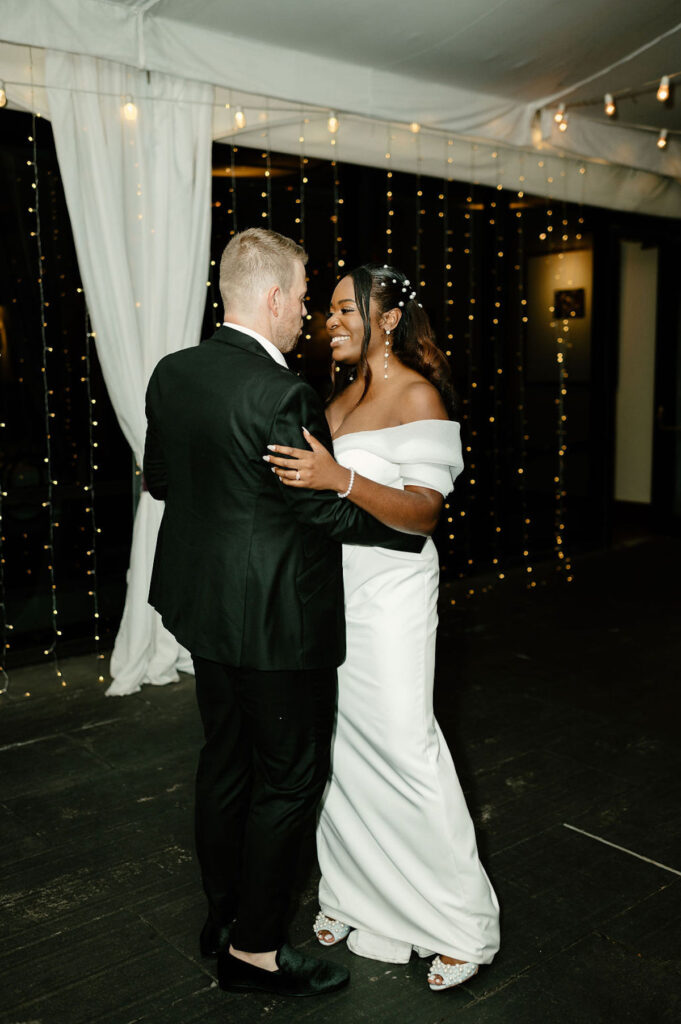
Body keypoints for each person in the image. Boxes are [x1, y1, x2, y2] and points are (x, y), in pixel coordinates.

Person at [142, 231, 429, 999]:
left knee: (224, 762)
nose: (306, 314)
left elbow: (162, 481)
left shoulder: (172, 373)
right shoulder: (283, 394)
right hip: (277, 623)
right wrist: (405, 527)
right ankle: (257, 952)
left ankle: (222, 915)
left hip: (202, 611)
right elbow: (323, 515)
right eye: (303, 298)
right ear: (272, 299)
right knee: (290, 782)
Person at [265, 263, 500, 991]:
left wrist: (341, 480)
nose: (328, 322)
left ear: (387, 319)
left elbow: (425, 511)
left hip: (392, 592)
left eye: (343, 310)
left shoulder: (417, 394)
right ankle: (353, 890)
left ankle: (462, 923)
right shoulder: (332, 402)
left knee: (403, 744)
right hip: (332, 594)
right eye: (326, 309)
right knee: (336, 744)